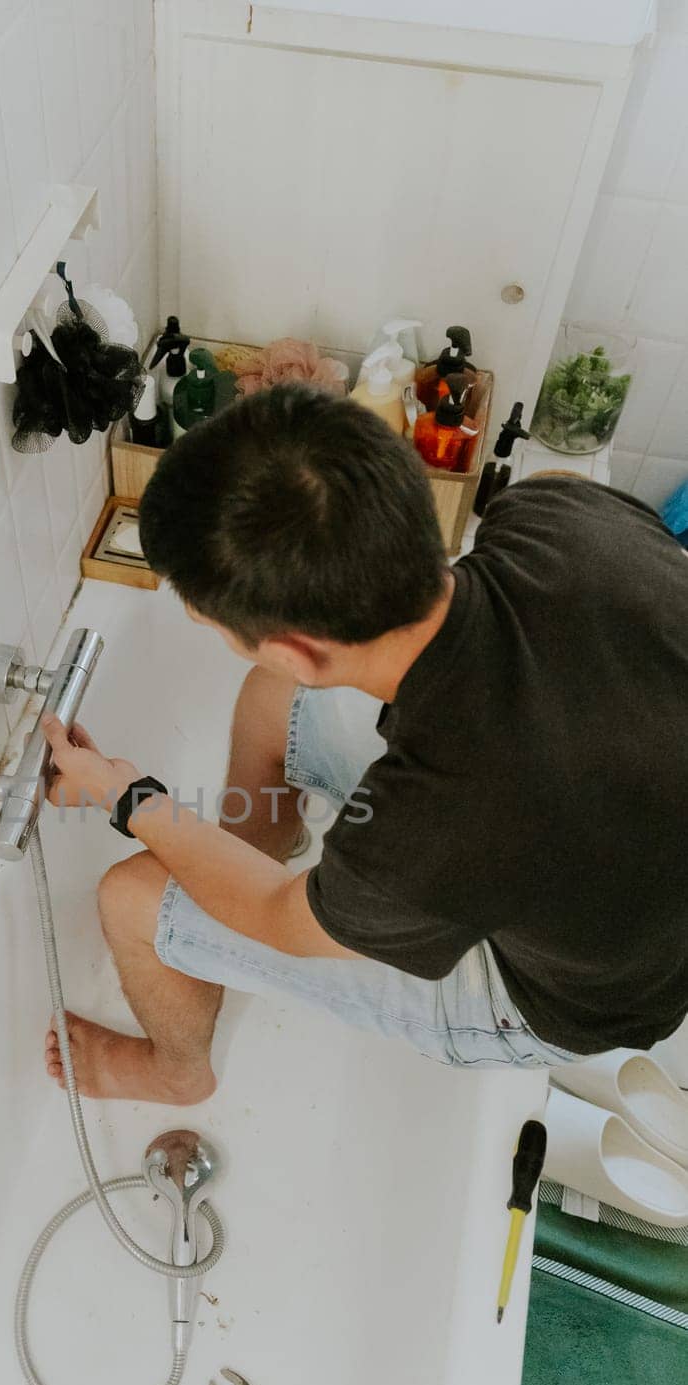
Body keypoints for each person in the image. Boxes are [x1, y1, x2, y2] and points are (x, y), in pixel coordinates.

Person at [40, 385, 688, 1106]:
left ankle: (176, 1073)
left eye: (211, 624)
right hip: (628, 878)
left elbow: (283, 922)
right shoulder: (564, 519)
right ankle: (248, 853)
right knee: (269, 700)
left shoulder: (439, 816)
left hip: (549, 999)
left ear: (300, 649)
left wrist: (125, 797)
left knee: (131, 895)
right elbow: (553, 482)